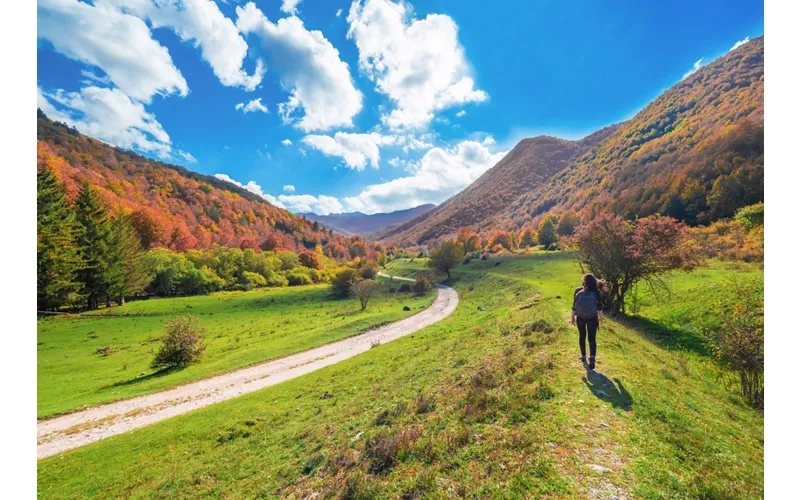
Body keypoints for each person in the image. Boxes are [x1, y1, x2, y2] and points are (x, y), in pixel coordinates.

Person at [571, 273, 605, 369]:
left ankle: (583, 356)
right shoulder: (596, 292)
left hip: (580, 318)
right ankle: (592, 357)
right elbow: (599, 308)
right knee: (592, 339)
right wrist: (601, 318)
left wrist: (572, 317)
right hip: (592, 318)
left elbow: (574, 306)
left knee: (582, 336)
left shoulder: (578, 291)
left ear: (584, 282)